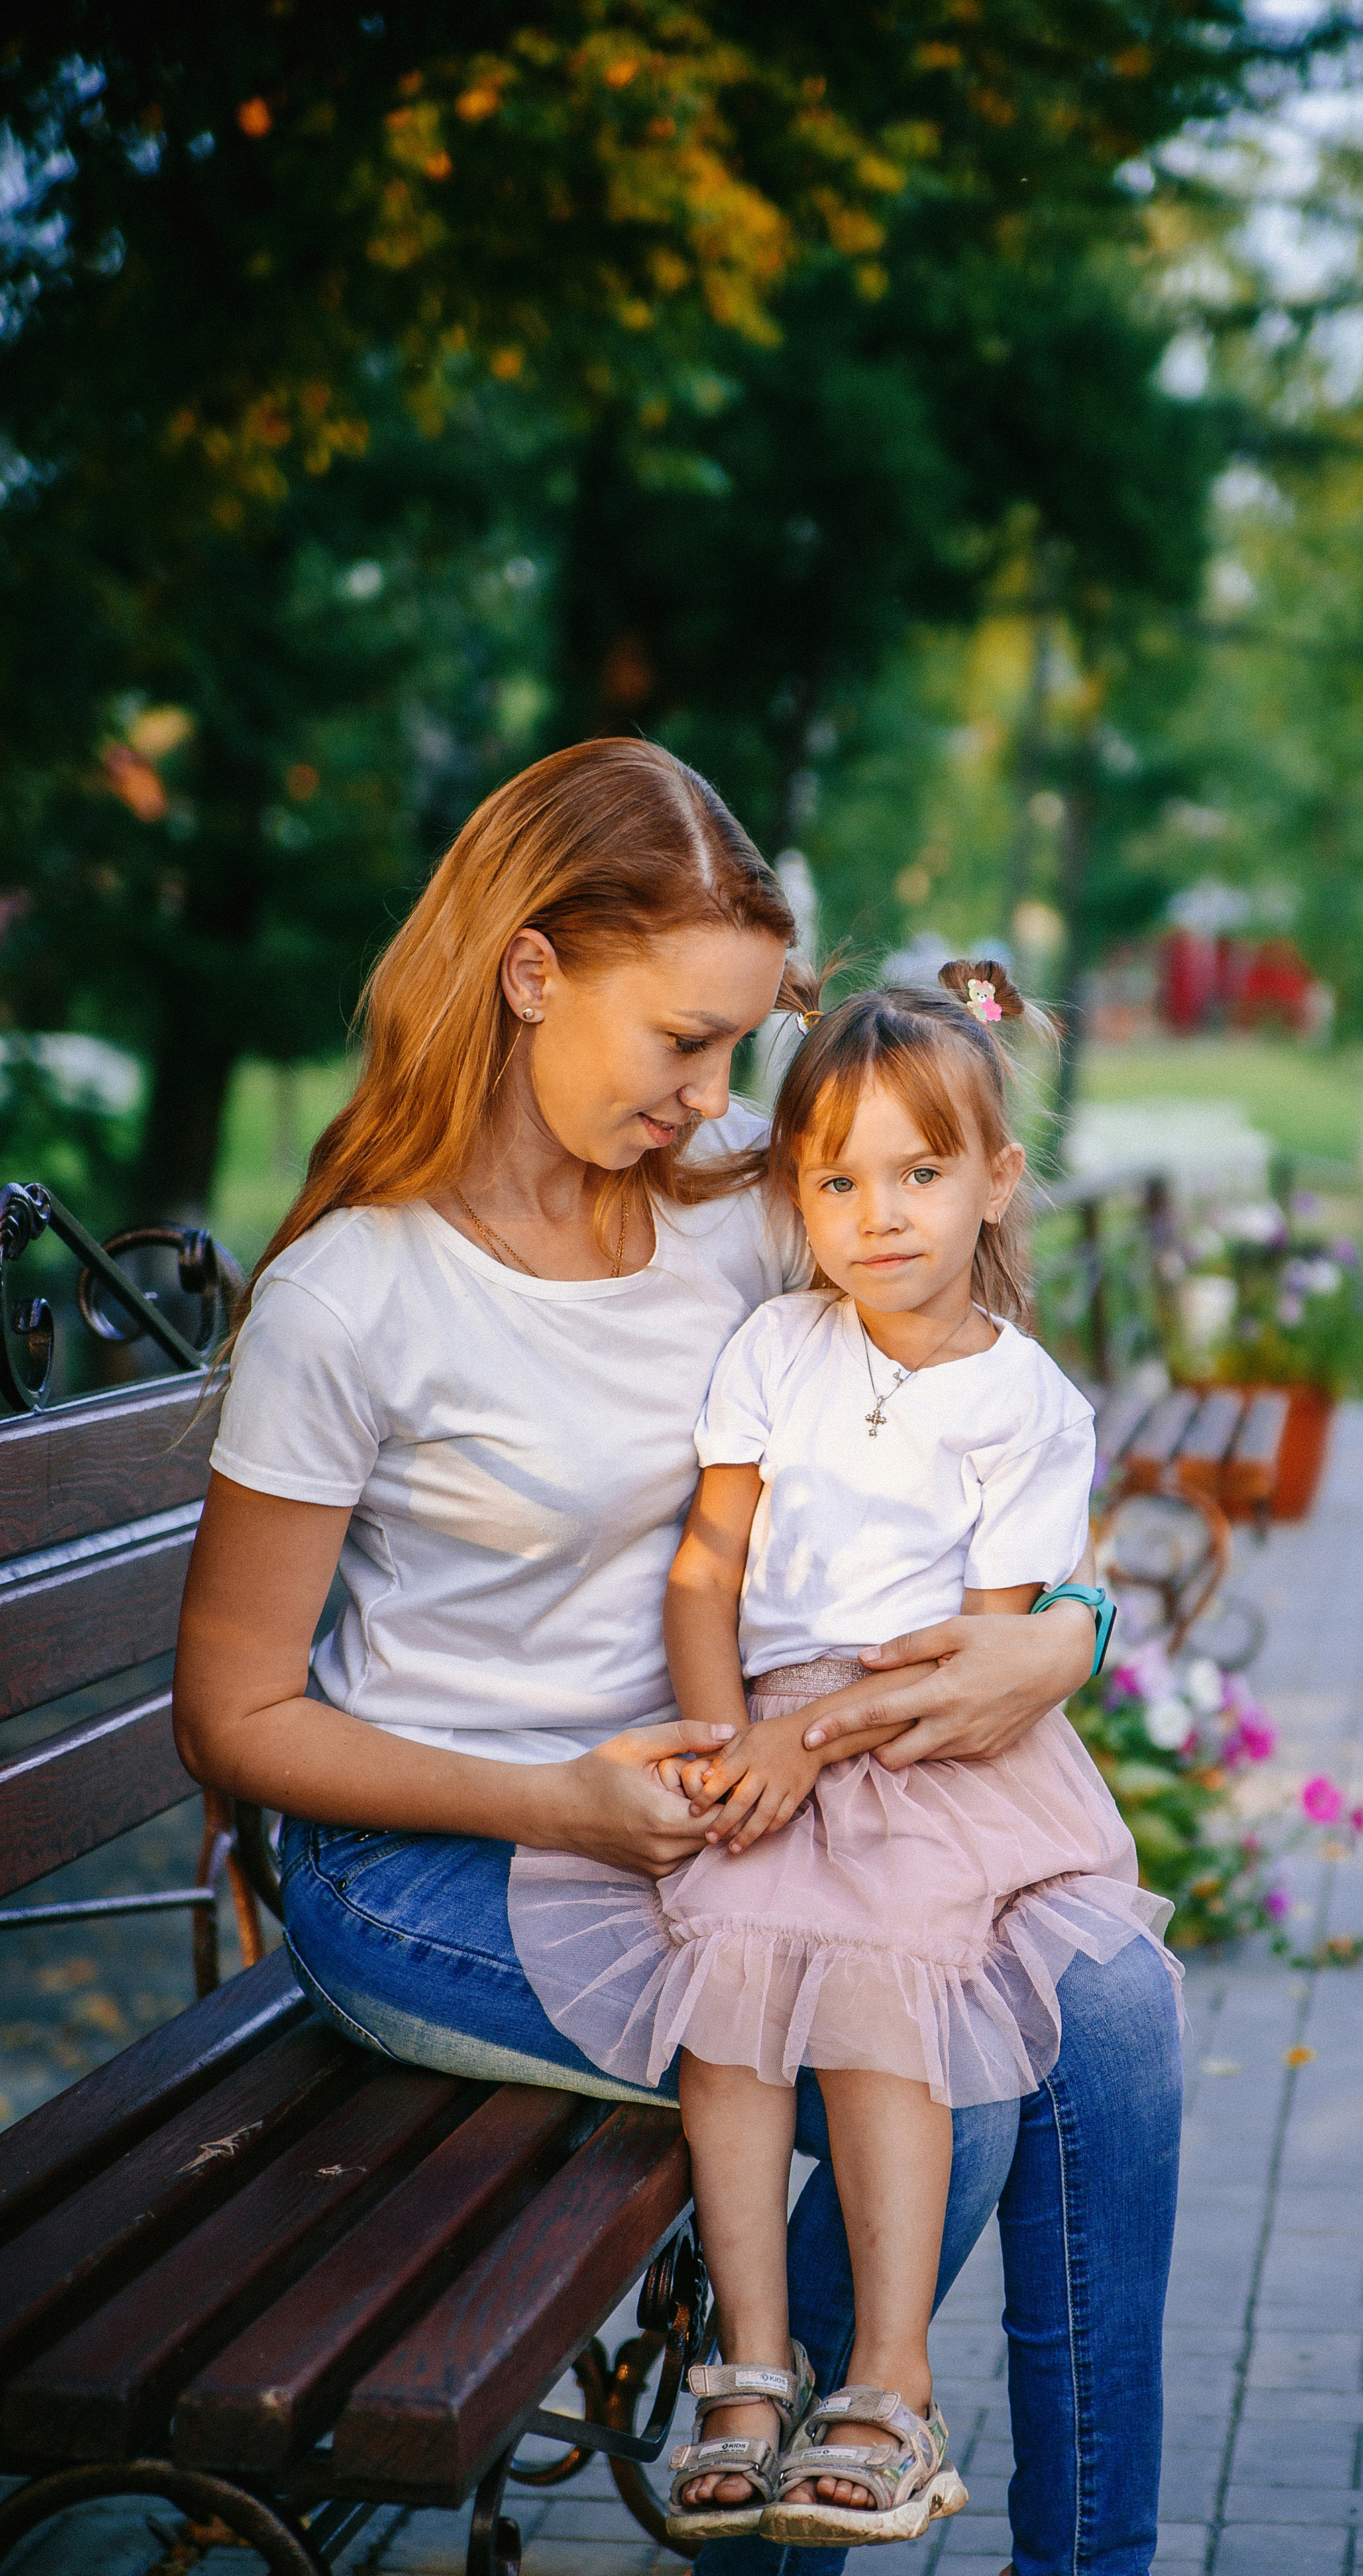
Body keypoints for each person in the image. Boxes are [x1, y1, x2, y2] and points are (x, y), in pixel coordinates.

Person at [172, 737, 1184, 2576]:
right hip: (444, 1861)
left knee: (1119, 2015)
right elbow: (230, 1717)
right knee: (946, 2079)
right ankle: (773, 2489)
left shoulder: (735, 1212)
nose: (722, 1099)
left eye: (740, 1049)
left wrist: (1072, 1634)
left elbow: (969, 1415)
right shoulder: (360, 1296)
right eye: (688, 1045)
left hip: (745, 1801)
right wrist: (554, 1795)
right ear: (533, 970)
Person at [508, 964, 1180, 2547]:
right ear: (799, 1194)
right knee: (727, 1989)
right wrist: (715, 1740)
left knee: (887, 1994)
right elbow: (706, 1568)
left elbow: (969, 1655)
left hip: (921, 1750)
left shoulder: (1027, 1406)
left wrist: (805, 1742)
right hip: (767, 1734)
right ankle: (750, 2366)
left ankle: (887, 2374)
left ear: (995, 1181)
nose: (878, 1216)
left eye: (921, 1174)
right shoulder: (773, 1348)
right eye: (837, 1181)